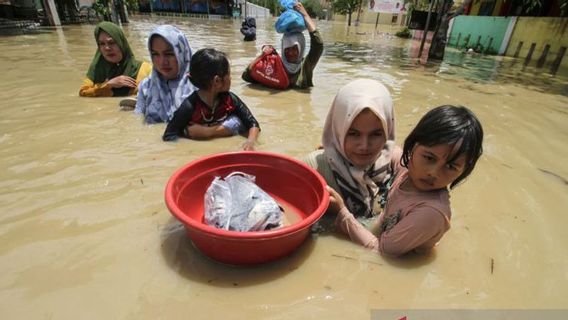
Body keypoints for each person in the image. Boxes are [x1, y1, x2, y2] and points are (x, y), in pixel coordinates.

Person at [329, 105, 484, 257]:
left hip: (397, 256)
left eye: (451, 166)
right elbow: (385, 150)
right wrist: (340, 150)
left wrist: (342, 212)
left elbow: (382, 252)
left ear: (463, 171)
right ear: (413, 147)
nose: (433, 172)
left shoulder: (430, 213)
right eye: (429, 158)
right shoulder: (407, 167)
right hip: (383, 229)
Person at [303, 79, 396, 221]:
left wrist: (342, 213)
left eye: (376, 134)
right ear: (338, 130)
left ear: (388, 130)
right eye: (353, 134)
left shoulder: (396, 166)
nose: (364, 146)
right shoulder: (314, 169)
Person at [163, 48, 260, 151]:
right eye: (228, 74)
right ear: (217, 81)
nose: (231, 78)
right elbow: (169, 136)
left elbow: (253, 124)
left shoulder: (230, 100)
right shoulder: (189, 107)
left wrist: (250, 142)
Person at [241, 2, 323, 89]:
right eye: (287, 49)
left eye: (294, 48)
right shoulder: (275, 65)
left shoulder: (306, 66)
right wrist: (262, 56)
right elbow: (247, 76)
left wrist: (305, 15)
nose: (290, 53)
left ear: (301, 47)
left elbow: (318, 45)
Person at [134, 25, 195, 124]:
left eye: (169, 54)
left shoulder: (200, 84)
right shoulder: (146, 86)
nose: (162, 62)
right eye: (155, 54)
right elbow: (136, 120)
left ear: (182, 53)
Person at [79, 21, 152, 97]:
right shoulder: (96, 69)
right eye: (102, 44)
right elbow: (83, 93)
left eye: (112, 42)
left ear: (121, 43)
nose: (107, 48)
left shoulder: (145, 69)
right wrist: (108, 85)